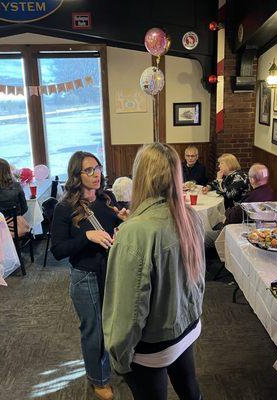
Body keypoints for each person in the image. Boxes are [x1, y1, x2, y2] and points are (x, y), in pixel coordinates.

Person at [103, 143, 205, 400]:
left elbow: (129, 309)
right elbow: (197, 278)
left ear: (141, 176)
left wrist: (119, 357)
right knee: (191, 390)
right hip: (188, 325)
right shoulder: (190, 216)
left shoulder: (136, 233)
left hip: (155, 344)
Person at [50, 152, 127, 400]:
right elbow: (58, 250)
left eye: (98, 168)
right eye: (89, 170)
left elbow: (111, 229)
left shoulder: (106, 197)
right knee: (94, 331)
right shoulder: (64, 208)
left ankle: (110, 365)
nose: (97, 174)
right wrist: (86, 237)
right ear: (76, 175)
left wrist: (122, 220)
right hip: (86, 277)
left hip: (112, 271)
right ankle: (99, 379)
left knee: (115, 325)